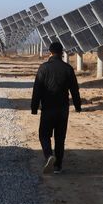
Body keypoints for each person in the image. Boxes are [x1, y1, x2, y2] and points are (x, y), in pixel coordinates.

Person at [31, 42, 82, 174]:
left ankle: (49, 156)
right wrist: (77, 106)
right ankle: (58, 166)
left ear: (50, 52)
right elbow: (74, 90)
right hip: (63, 109)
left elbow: (37, 89)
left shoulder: (43, 68)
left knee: (44, 135)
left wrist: (34, 107)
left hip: (48, 108)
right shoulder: (68, 68)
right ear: (61, 52)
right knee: (60, 138)